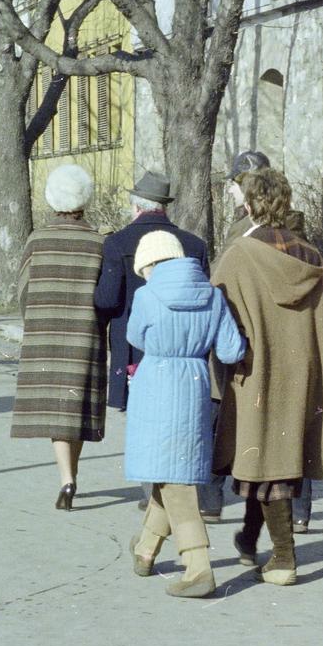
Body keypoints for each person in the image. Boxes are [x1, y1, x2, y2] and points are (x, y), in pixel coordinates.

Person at [211, 167, 323, 586]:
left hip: (256, 370)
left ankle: (284, 558)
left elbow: (217, 316)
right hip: (301, 371)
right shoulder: (311, 256)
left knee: (261, 454)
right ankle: (250, 540)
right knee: (273, 456)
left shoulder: (238, 255)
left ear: (249, 206)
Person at [125, 231, 247, 599]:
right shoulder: (213, 295)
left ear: (150, 264)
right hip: (195, 385)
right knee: (173, 471)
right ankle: (146, 548)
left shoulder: (146, 295)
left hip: (155, 384)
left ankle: (198, 567)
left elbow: (136, 338)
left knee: (174, 480)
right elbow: (230, 350)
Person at [93, 170, 214, 517]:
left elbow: (106, 300)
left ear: (136, 207)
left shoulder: (116, 244)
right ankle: (185, 490)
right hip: (186, 347)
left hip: (135, 344)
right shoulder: (194, 245)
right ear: (165, 207)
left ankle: (154, 492)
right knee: (184, 418)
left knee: (144, 420)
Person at [225, 149, 315, 532]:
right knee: (294, 435)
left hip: (255, 353)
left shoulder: (241, 245)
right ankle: (289, 519)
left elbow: (222, 297)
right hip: (298, 354)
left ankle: (270, 543)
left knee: (256, 443)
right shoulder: (307, 248)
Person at [11, 164, 108, 510]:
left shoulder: (37, 240)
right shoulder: (98, 242)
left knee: (57, 414)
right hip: (86, 335)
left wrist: (35, 320)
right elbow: (107, 294)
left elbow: (23, 289)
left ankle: (66, 479)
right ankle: (72, 476)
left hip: (46, 335)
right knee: (76, 410)